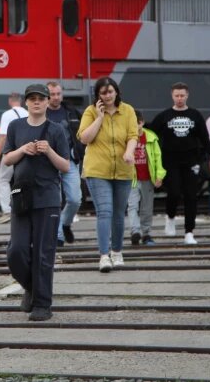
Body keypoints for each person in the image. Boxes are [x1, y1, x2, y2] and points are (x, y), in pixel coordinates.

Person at [3, 83, 70, 321]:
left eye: (41, 98)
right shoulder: (15, 126)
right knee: (16, 251)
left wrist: (49, 151)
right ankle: (31, 287)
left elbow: (65, 166)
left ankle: (43, 304)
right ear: (26, 102)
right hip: (21, 197)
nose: (37, 102)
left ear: (47, 102)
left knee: (44, 253)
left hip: (48, 197)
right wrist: (23, 149)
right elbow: (7, 159)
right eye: (32, 99)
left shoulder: (56, 129)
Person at [77, 76, 138, 272]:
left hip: (123, 169)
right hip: (98, 170)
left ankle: (117, 252)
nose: (108, 95)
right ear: (98, 95)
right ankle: (104, 256)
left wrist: (129, 152)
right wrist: (99, 118)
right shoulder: (91, 111)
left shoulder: (127, 110)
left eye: (111, 91)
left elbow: (133, 136)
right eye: (103, 93)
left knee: (119, 214)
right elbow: (84, 138)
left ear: (116, 92)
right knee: (105, 212)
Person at [148, 82, 210, 245]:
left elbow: (205, 139)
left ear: (187, 96)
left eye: (182, 95)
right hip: (170, 161)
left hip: (191, 161)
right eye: (176, 95)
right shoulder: (164, 116)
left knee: (191, 196)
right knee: (173, 192)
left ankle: (189, 232)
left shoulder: (195, 115)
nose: (179, 98)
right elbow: (151, 135)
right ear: (172, 96)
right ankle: (170, 217)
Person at [45, 81, 84, 246]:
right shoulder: (42, 112)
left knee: (75, 199)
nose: (55, 97)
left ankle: (65, 223)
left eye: (58, 94)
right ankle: (59, 236)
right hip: (48, 163)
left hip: (69, 161)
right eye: (52, 94)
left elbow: (82, 132)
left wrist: (80, 151)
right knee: (55, 200)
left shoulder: (71, 111)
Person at [127, 111, 165, 246]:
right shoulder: (127, 138)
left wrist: (159, 175)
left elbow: (157, 158)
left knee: (147, 207)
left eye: (136, 123)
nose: (134, 127)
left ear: (141, 122)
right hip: (132, 179)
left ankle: (146, 233)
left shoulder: (150, 138)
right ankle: (135, 231)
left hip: (147, 178)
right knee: (132, 206)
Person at [0, 93, 29, 223]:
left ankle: (7, 211)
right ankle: (26, 208)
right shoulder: (27, 112)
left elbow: (3, 137)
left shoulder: (7, 115)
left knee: (3, 179)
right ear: (20, 101)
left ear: (10, 101)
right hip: (26, 150)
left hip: (11, 152)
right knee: (23, 180)